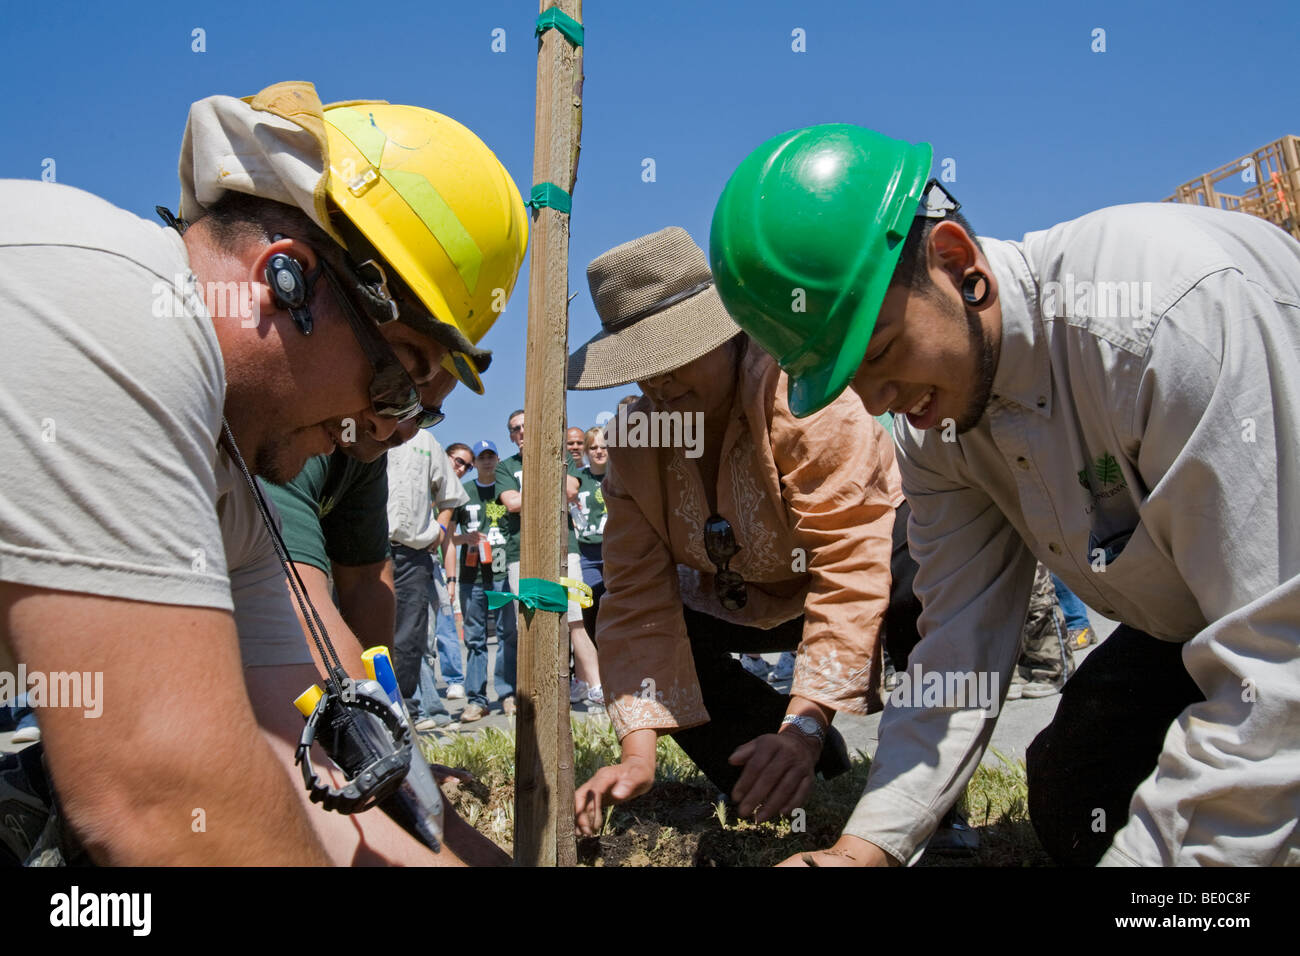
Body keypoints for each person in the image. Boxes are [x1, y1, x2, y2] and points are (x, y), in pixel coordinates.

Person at [711, 122, 1300, 866]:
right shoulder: (938, 424)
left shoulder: (1164, 324)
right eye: (851, 380)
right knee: (1077, 790)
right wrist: (862, 851)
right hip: (1201, 623)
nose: (886, 399)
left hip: (1282, 610)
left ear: (956, 261)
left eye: (882, 352)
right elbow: (959, 644)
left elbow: (1277, 664)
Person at [0, 81, 527, 865]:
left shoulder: (232, 491)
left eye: (418, 416)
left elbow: (302, 761)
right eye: (394, 385)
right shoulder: (112, 303)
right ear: (286, 280)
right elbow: (168, 802)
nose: (376, 440)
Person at [570, 227, 918, 836]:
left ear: (729, 333)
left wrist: (809, 722)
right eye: (645, 370)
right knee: (601, 609)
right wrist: (638, 754)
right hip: (738, 598)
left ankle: (917, 788)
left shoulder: (806, 397)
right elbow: (636, 597)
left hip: (860, 575)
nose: (661, 384)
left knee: (920, 578)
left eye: (678, 359)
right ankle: (759, 764)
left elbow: (849, 564)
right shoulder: (635, 440)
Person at [494, 411, 589, 714]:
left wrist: (530, 496)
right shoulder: (505, 467)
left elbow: (572, 489)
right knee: (530, 621)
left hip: (564, 549)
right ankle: (535, 690)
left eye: (526, 426)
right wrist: (552, 490)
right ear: (511, 436)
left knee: (573, 618)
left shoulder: (562, 456)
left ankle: (585, 687)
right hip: (520, 554)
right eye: (515, 429)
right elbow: (511, 503)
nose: (522, 431)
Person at [387, 428, 469, 729]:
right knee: (357, 629)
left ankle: (402, 716)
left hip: (413, 554)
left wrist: (441, 530)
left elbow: (450, 496)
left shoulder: (425, 440)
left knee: (410, 639)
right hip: (365, 551)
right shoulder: (362, 424)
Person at [451, 441, 519, 722]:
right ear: (474, 464)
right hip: (472, 577)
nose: (487, 462)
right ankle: (476, 700)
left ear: (498, 459)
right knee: (476, 639)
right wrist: (462, 540)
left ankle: (508, 694)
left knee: (508, 635)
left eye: (491, 456)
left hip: (503, 574)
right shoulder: (462, 493)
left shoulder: (506, 491)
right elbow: (445, 535)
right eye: (481, 458)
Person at [437, 443, 476, 698]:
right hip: (409, 556)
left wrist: (451, 579)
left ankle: (454, 679)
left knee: (445, 624)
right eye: (458, 461)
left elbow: (449, 540)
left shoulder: (454, 495)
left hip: (437, 565)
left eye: (466, 465)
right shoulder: (429, 482)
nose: (461, 468)